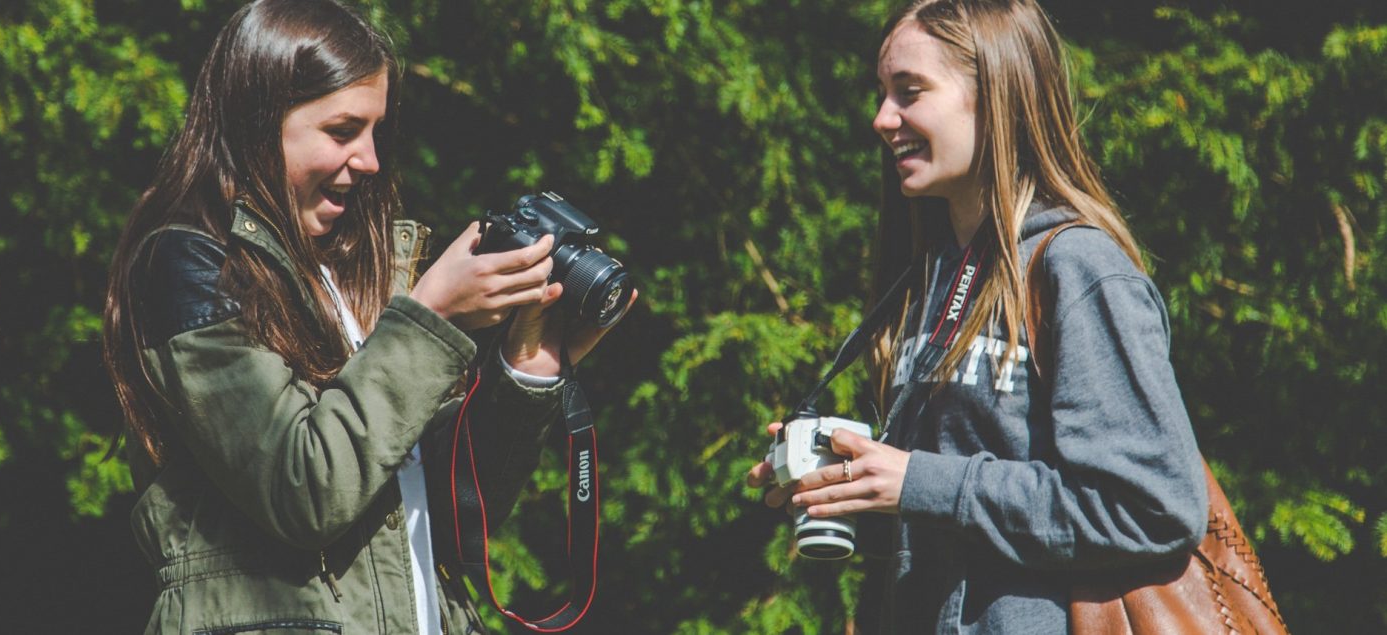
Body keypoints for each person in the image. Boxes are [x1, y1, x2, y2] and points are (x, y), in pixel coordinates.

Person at [101, 1, 632, 633]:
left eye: (376, 131)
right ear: (257, 121)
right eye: (342, 131)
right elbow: (303, 489)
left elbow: (454, 510)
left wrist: (529, 368)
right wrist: (432, 317)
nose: (371, 159)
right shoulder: (190, 263)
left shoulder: (360, 267)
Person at [746, 0, 1208, 631]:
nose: (883, 118)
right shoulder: (929, 275)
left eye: (910, 92)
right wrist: (849, 488)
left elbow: (1152, 508)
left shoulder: (1077, 269)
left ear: (997, 96)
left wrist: (919, 482)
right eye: (882, 94)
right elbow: (955, 525)